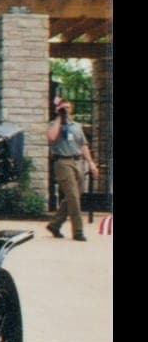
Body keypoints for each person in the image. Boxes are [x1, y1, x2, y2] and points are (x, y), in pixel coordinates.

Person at [45, 96, 100, 242]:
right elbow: (51, 137)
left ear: (72, 109)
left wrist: (91, 164)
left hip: (77, 162)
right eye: (63, 108)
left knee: (76, 194)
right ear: (57, 109)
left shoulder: (76, 126)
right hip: (62, 162)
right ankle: (78, 231)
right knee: (73, 197)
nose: (66, 110)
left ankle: (55, 224)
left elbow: (83, 145)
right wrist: (59, 118)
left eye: (68, 108)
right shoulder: (54, 124)